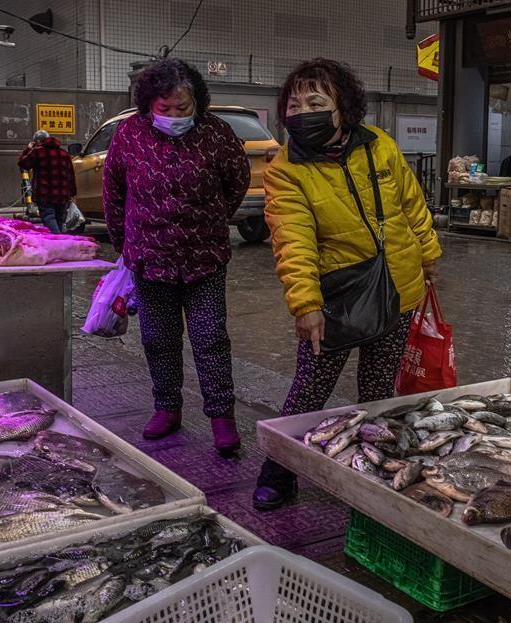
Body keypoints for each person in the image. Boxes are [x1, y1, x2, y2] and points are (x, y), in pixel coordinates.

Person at [252, 58, 442, 511]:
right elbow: (292, 240)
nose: (302, 112)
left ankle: (372, 467)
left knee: (378, 392)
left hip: (396, 290)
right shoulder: (286, 169)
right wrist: (305, 303)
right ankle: (278, 471)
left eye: (316, 102)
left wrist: (429, 255)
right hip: (334, 300)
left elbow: (411, 206)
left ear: (344, 109)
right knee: (309, 392)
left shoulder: (380, 146)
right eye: (294, 104)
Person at [103, 58, 251, 456]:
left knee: (210, 339)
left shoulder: (217, 134)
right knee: (158, 339)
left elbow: (238, 182)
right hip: (149, 259)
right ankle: (167, 407)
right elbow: (114, 192)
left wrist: (213, 220)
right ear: (148, 104)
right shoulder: (128, 135)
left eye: (181, 108)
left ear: (197, 103)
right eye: (163, 109)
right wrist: (125, 243)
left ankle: (222, 417)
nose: (172, 115)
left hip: (204, 258)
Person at [18, 129, 76, 233]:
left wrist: (28, 149)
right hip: (62, 195)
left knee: (49, 219)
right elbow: (70, 175)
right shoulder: (64, 154)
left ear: (38, 141)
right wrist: (72, 193)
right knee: (59, 220)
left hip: (45, 194)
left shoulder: (37, 152)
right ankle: (61, 244)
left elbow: (22, 163)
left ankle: (59, 242)